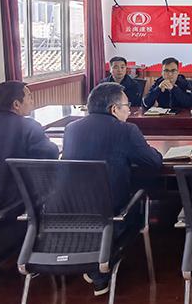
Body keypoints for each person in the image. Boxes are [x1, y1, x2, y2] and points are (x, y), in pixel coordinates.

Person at [64, 83, 162, 296]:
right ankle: (101, 264)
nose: (129, 111)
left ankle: (95, 264)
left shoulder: (71, 128)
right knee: (142, 196)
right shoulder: (126, 130)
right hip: (114, 214)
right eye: (127, 106)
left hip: (75, 211)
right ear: (114, 109)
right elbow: (153, 162)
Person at [0, 81, 59, 218]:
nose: (32, 101)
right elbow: (50, 155)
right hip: (14, 201)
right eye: (29, 96)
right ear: (16, 104)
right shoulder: (28, 126)